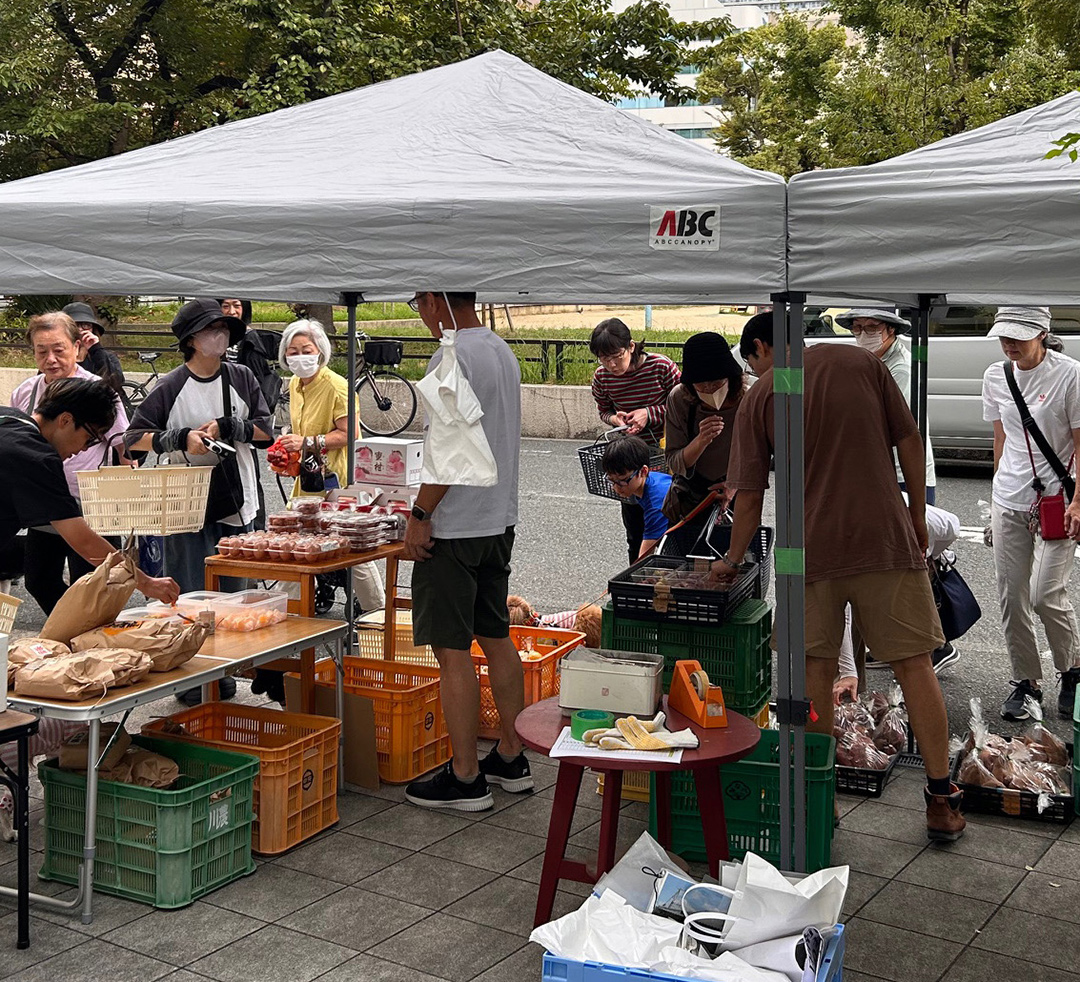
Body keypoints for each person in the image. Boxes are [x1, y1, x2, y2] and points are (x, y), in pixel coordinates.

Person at [715, 312, 964, 841]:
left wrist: (731, 562)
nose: (753, 370)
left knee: (814, 673)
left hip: (804, 554)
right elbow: (909, 439)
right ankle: (941, 800)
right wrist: (917, 515)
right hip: (884, 540)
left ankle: (819, 801)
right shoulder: (861, 364)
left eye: (752, 360)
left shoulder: (762, 396)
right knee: (914, 665)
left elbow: (749, 497)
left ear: (762, 347)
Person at [401, 290, 525, 811]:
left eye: (419, 303)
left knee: (452, 652)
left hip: (454, 527)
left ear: (435, 300)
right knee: (495, 637)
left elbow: (448, 452)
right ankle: (511, 755)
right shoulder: (500, 350)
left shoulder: (451, 354)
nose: (422, 315)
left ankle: (466, 775)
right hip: (497, 518)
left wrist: (419, 515)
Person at [125, 298, 273, 703]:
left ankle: (224, 670)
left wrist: (230, 427)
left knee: (234, 596)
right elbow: (132, 439)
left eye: (223, 329)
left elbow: (266, 433)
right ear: (191, 339)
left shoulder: (241, 376)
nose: (220, 336)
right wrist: (180, 438)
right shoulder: (171, 385)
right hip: (185, 502)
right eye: (212, 329)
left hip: (236, 497)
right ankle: (193, 681)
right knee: (191, 593)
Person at [980, 306, 1080, 720]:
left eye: (1018, 336)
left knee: (1044, 594)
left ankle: (1072, 670)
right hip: (1009, 499)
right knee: (1012, 595)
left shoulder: (1070, 375)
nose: (1009, 344)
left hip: (1058, 502)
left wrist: (1079, 501)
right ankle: (1026, 681)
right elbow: (1000, 439)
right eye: (1004, 335)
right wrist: (994, 496)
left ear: (1042, 332)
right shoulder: (995, 376)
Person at [0, 377, 178, 607]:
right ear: (65, 420)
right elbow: (83, 540)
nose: (83, 449)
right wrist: (145, 582)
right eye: (89, 438)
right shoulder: (36, 458)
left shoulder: (8, 418)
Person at [10, 312, 130, 615]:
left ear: (77, 348)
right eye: (41, 351)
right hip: (43, 502)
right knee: (39, 579)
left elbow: (123, 445)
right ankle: (71, 626)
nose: (50, 359)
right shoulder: (25, 392)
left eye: (58, 349)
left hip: (90, 503)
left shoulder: (99, 393)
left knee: (91, 583)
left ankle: (81, 629)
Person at [833, 497, 961, 702]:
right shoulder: (844, 533)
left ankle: (927, 660)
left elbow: (952, 528)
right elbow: (841, 614)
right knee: (849, 612)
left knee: (914, 643)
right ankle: (851, 692)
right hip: (861, 553)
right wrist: (848, 671)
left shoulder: (926, 521)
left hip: (910, 554)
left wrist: (929, 554)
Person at [589, 318, 680, 563]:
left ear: (631, 346)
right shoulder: (602, 378)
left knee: (669, 528)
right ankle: (636, 575)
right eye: (604, 359)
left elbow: (684, 404)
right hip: (629, 460)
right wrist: (615, 419)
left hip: (665, 454)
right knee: (635, 531)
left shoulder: (661, 367)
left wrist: (649, 414)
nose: (611, 364)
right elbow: (604, 411)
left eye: (616, 356)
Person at [835, 308, 937, 505]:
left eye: (872, 328)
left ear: (891, 329)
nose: (863, 334)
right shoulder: (868, 360)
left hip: (903, 473)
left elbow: (898, 425)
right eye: (857, 328)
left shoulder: (901, 368)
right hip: (877, 469)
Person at [664, 332, 746, 533]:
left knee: (735, 548)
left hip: (738, 492)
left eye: (717, 384)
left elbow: (760, 454)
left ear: (731, 378)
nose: (710, 390)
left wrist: (734, 484)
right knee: (688, 548)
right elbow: (673, 461)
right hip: (692, 497)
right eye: (701, 385)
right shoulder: (679, 399)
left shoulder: (748, 399)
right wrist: (701, 440)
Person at [601, 436, 673, 559]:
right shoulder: (651, 480)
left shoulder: (656, 503)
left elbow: (644, 556)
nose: (616, 488)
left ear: (643, 471)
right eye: (611, 480)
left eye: (622, 480)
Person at [61, 302, 128, 408]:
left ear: (93, 329)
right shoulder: (56, 359)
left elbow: (116, 382)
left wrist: (96, 349)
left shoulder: (105, 356)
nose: (80, 330)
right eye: (75, 325)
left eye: (86, 325)